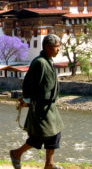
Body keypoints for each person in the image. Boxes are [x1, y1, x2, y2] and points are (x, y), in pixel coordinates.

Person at [10, 34, 64, 169]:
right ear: (47, 47)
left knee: (55, 134)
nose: (58, 50)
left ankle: (49, 164)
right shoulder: (39, 62)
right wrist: (27, 100)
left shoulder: (49, 61)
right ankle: (16, 153)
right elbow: (28, 84)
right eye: (57, 47)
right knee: (39, 136)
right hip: (40, 107)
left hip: (50, 107)